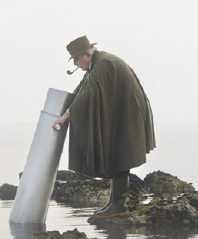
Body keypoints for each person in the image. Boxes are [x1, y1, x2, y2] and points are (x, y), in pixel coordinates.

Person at [52, 35, 156, 216]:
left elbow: (88, 93)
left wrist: (68, 114)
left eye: (77, 59)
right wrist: (68, 107)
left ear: (87, 54)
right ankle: (115, 204)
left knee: (121, 156)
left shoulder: (104, 64)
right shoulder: (98, 63)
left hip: (129, 114)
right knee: (117, 155)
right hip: (123, 112)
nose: (76, 64)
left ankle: (119, 206)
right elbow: (83, 87)